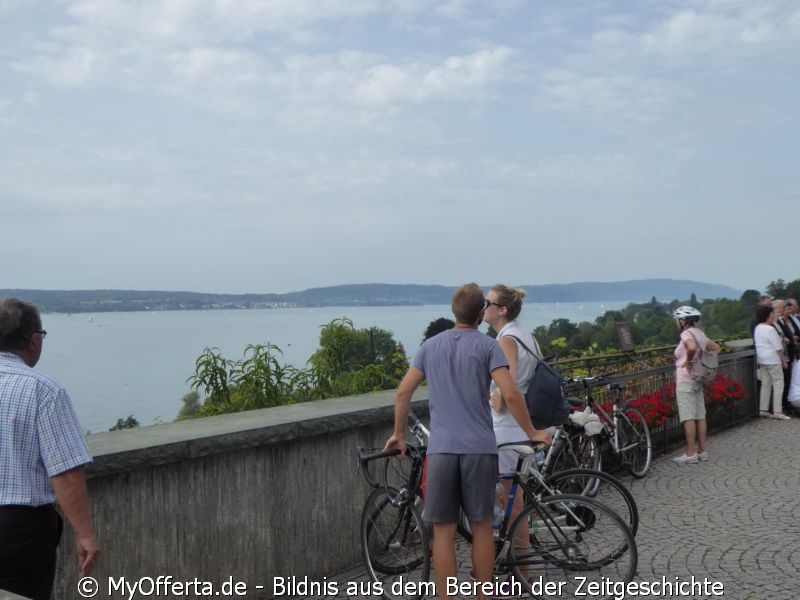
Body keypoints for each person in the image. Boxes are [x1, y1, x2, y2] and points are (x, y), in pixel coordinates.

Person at [383, 284, 550, 600]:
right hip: (479, 450)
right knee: (483, 529)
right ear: (479, 314)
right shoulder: (488, 347)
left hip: (442, 451)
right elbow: (510, 393)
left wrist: (399, 434)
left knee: (442, 533)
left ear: (454, 311)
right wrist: (531, 431)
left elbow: (403, 392)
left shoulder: (430, 346)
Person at [0, 298, 100, 599]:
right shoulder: (43, 391)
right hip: (18, 532)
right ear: (33, 342)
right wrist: (84, 534)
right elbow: (66, 472)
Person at [481, 285, 542, 568]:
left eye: (487, 302)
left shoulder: (505, 339)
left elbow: (510, 388)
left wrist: (492, 399)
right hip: (519, 426)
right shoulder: (524, 334)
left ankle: (522, 573)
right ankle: (521, 569)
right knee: (515, 505)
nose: (483, 307)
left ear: (501, 310)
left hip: (506, 429)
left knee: (511, 506)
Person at [672, 306, 721, 464]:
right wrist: (703, 362)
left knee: (688, 417)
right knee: (700, 416)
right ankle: (702, 451)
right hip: (698, 379)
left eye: (677, 320)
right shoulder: (700, 333)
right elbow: (716, 348)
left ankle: (690, 453)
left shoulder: (686, 333)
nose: (676, 323)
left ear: (683, 321)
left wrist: (688, 361)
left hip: (685, 380)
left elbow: (691, 347)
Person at [753, 304, 791, 420]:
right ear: (769, 315)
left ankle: (763, 409)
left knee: (766, 383)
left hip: (762, 359)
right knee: (779, 383)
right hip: (773, 359)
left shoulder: (758, 327)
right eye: (773, 313)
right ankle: (777, 411)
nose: (775, 315)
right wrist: (783, 361)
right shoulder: (770, 329)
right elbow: (778, 347)